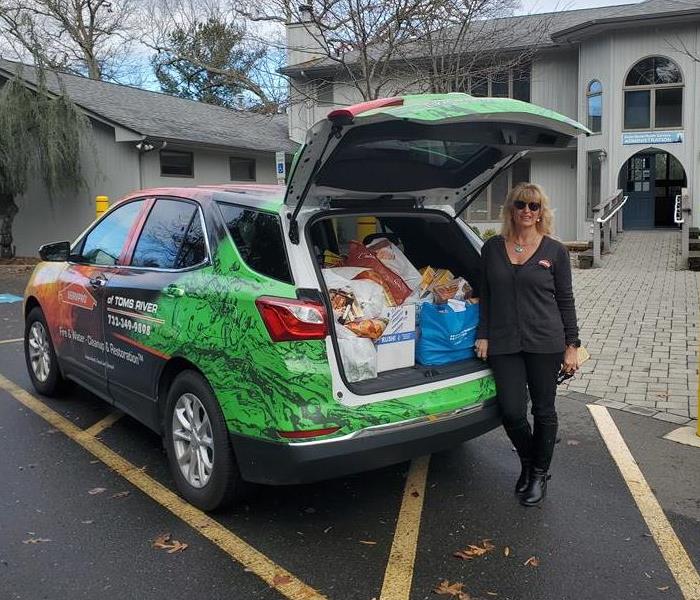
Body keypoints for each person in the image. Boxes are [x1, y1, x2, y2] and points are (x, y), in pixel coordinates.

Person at [475, 182, 581, 507]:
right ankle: (530, 462)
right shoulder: (492, 248)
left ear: (541, 212)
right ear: (511, 209)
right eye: (520, 204)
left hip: (545, 341)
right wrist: (483, 333)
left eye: (533, 206)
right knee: (511, 411)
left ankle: (538, 475)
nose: (527, 211)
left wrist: (572, 344)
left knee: (544, 410)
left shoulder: (555, 251)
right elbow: (486, 296)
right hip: (505, 341)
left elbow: (565, 299)